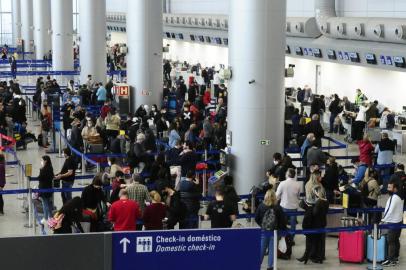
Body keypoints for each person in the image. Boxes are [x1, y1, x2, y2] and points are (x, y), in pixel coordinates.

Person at [255, 190, 287, 270]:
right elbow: (282, 221)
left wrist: (262, 225)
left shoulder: (261, 206)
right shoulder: (277, 207)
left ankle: (257, 265)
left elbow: (256, 218)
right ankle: (270, 266)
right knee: (272, 250)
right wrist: (283, 232)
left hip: (264, 231)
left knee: (261, 249)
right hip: (274, 232)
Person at [381, 180, 404, 267]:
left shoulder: (393, 198)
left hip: (393, 222)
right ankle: (396, 258)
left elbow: (389, 211)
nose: (388, 189)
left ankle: (391, 260)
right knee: (395, 240)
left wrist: (383, 220)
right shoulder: (399, 197)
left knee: (391, 241)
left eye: (390, 187)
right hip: (398, 221)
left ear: (395, 189)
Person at [276, 168, 302, 240]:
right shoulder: (298, 184)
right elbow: (298, 196)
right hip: (294, 207)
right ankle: (291, 239)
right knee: (293, 224)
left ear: (287, 174)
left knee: (282, 223)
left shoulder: (282, 183)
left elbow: (277, 195)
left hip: (284, 206)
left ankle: (283, 238)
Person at [37, 155, 54, 223]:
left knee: (45, 204)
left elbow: (40, 178)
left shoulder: (43, 169)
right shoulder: (50, 168)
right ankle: (50, 217)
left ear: (45, 161)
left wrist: (41, 169)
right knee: (49, 203)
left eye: (42, 160)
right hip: (49, 188)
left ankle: (45, 217)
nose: (41, 161)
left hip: (43, 189)